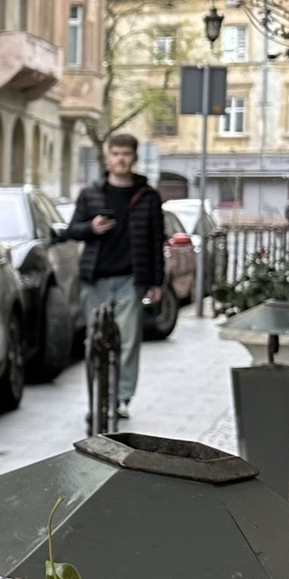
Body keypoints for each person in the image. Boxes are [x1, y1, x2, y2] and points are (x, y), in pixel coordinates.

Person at [60, 132, 166, 420]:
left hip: (131, 279)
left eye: (126, 154)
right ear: (108, 157)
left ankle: (120, 398)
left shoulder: (148, 196)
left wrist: (157, 283)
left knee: (128, 341)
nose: (121, 159)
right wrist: (91, 228)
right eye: (116, 153)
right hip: (95, 278)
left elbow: (157, 240)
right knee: (94, 341)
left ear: (134, 158)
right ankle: (98, 397)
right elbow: (72, 230)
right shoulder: (91, 193)